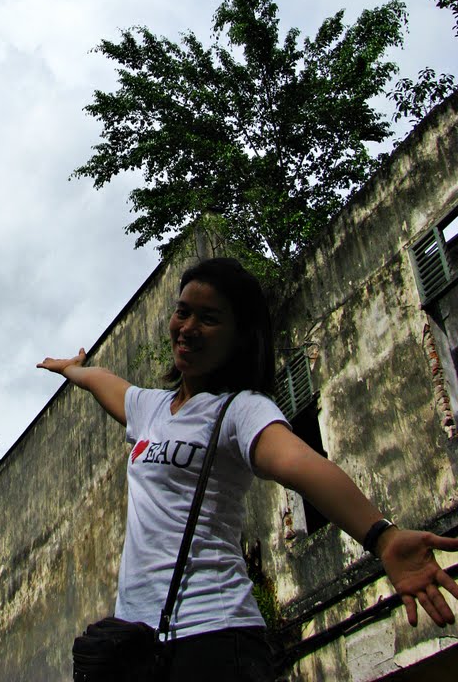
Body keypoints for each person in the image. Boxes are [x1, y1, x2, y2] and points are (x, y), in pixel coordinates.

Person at [37, 257, 458, 681]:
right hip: (141, 645)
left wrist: (381, 537)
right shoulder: (151, 409)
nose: (187, 327)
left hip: (215, 639)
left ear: (240, 336)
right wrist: (72, 368)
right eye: (182, 312)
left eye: (209, 318)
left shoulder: (240, 410)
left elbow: (299, 464)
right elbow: (103, 381)